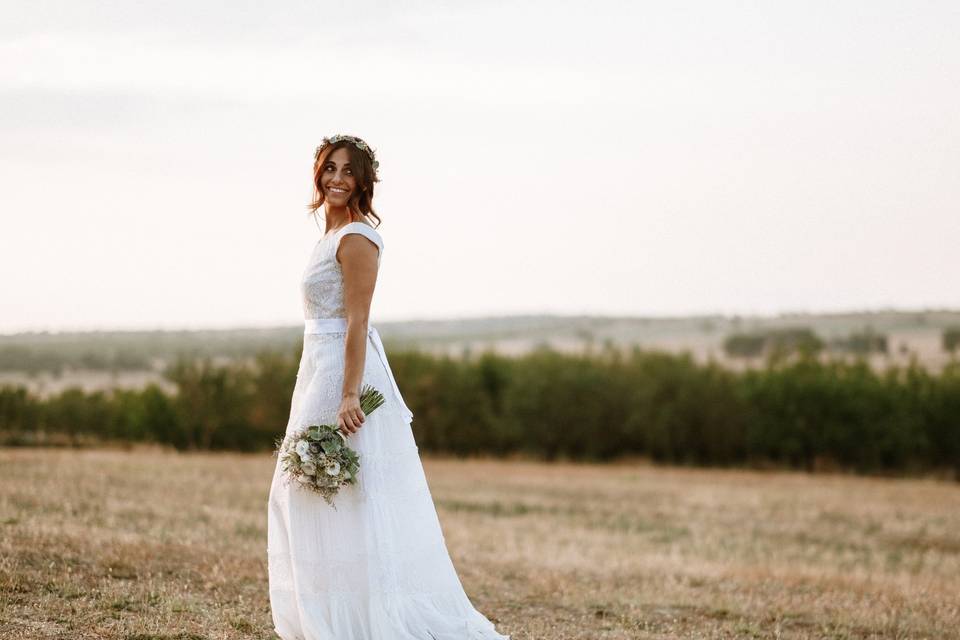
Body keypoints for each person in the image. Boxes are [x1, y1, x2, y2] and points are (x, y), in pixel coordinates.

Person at [266, 134, 511, 639]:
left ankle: (361, 621)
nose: (337, 178)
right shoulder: (327, 235)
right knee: (309, 488)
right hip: (315, 365)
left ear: (363, 181)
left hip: (342, 371)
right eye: (329, 168)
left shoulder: (357, 237)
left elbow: (357, 322)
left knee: (333, 486)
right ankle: (333, 617)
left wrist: (349, 393)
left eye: (348, 171)